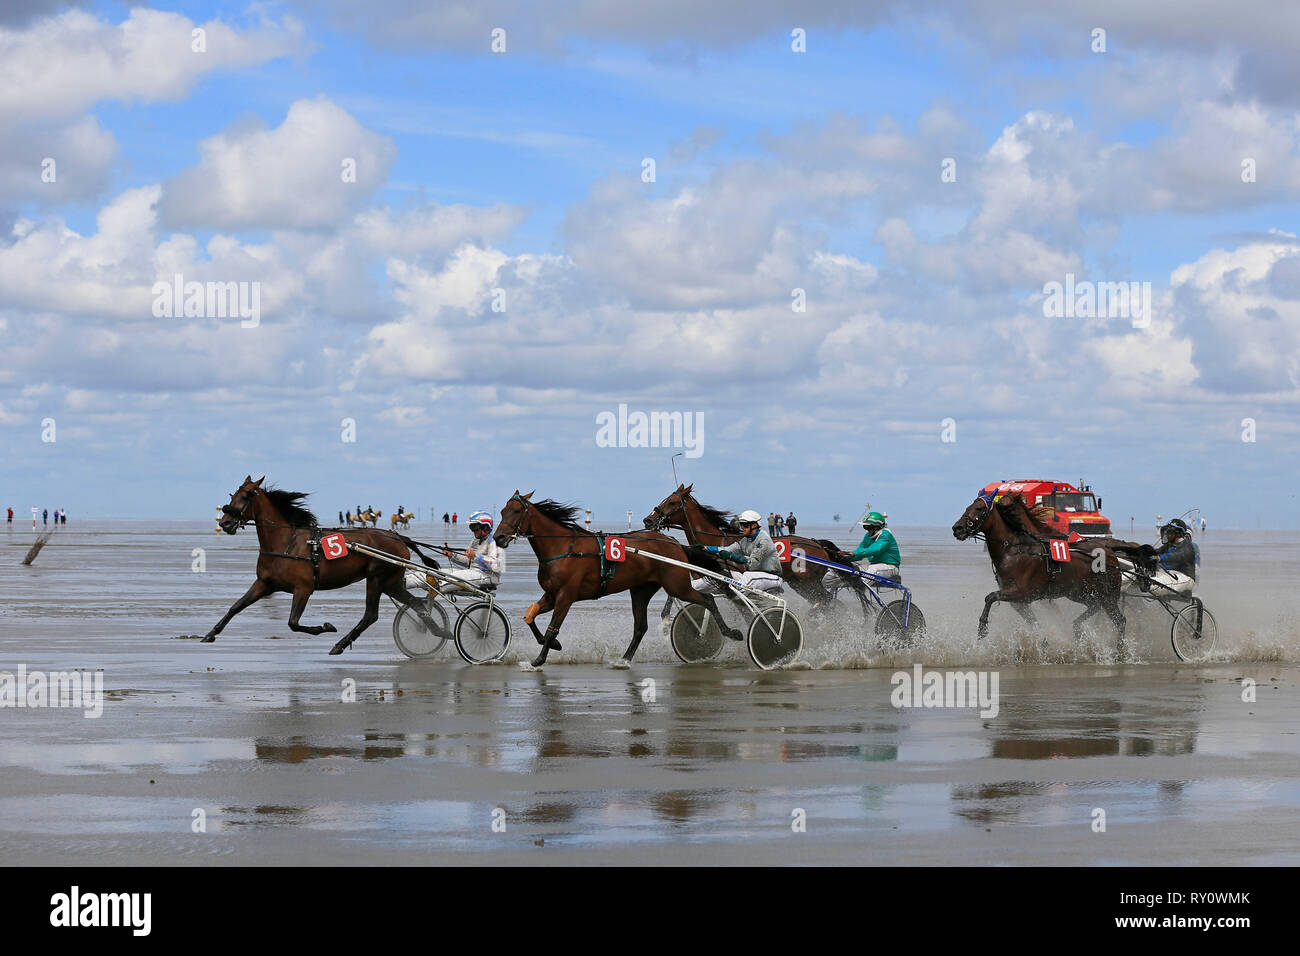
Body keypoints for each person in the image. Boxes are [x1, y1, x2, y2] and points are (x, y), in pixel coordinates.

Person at [694, 510, 783, 596]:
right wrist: (706, 548)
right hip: (756, 577)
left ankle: (736, 598)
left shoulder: (764, 540)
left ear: (755, 525)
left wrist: (731, 556)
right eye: (741, 524)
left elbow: (753, 563)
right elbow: (728, 550)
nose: (742, 527)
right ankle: (692, 587)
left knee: (748, 576)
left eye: (745, 525)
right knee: (722, 575)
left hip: (772, 578)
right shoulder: (745, 540)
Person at [824, 511, 901, 597]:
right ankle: (822, 592)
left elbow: (875, 549)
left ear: (876, 527)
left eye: (867, 527)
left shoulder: (886, 535)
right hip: (874, 567)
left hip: (890, 567)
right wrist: (844, 557)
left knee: (874, 569)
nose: (866, 530)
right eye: (865, 527)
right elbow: (859, 552)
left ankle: (859, 588)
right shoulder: (868, 536)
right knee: (844, 569)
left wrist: (853, 554)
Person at [442, 511, 503, 590]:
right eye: (471, 527)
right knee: (438, 573)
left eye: (475, 527)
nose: (473, 531)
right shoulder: (475, 541)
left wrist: (475, 556)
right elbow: (468, 561)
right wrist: (452, 555)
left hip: (487, 576)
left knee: (450, 578)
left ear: (485, 527)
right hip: (473, 572)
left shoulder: (494, 543)